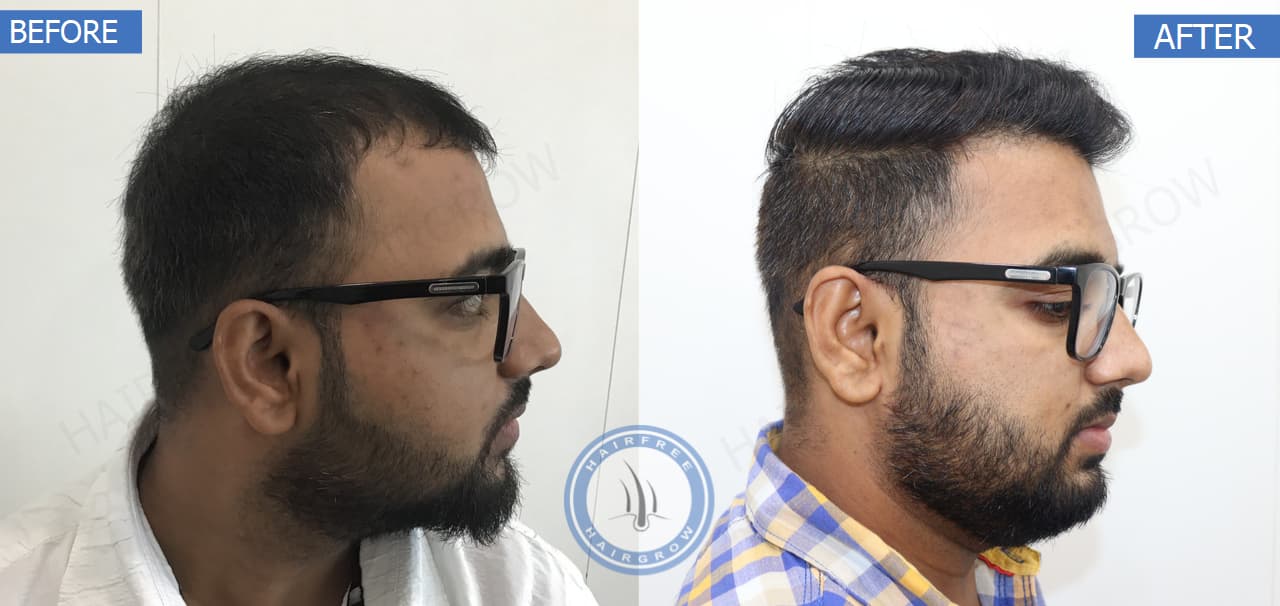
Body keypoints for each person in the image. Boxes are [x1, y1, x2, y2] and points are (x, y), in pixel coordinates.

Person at [0, 53, 598, 606]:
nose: (540, 347)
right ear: (268, 363)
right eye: (469, 299)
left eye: (509, 283)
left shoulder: (523, 590)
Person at [677, 49, 1153, 606]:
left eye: (1108, 297)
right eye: (1056, 304)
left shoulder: (966, 550)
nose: (1132, 358)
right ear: (857, 335)